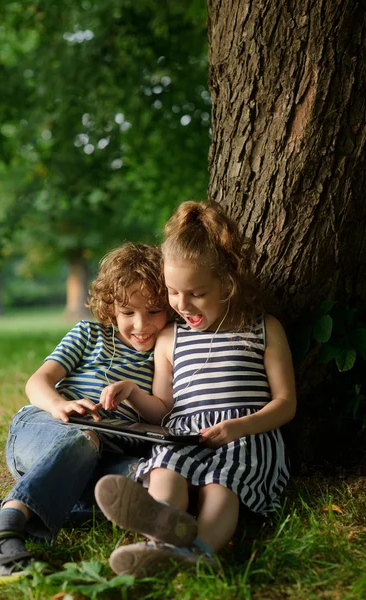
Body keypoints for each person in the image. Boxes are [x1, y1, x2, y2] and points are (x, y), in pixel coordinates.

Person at [95, 201, 297, 577]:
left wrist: (240, 427)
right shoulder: (170, 338)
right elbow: (164, 409)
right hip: (185, 434)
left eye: (197, 294)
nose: (181, 304)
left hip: (246, 437)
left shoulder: (264, 328)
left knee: (224, 485)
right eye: (173, 292)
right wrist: (132, 393)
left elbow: (286, 404)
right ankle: (161, 536)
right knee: (165, 470)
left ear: (229, 281)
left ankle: (200, 549)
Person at [0, 243, 171, 584]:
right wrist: (58, 405)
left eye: (154, 311)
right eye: (128, 312)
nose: (141, 324)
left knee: (148, 483)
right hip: (45, 429)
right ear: (111, 307)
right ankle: (0, 532)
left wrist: (133, 395)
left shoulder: (164, 354)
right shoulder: (89, 334)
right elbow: (38, 382)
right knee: (83, 438)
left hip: (105, 455)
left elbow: (161, 416)